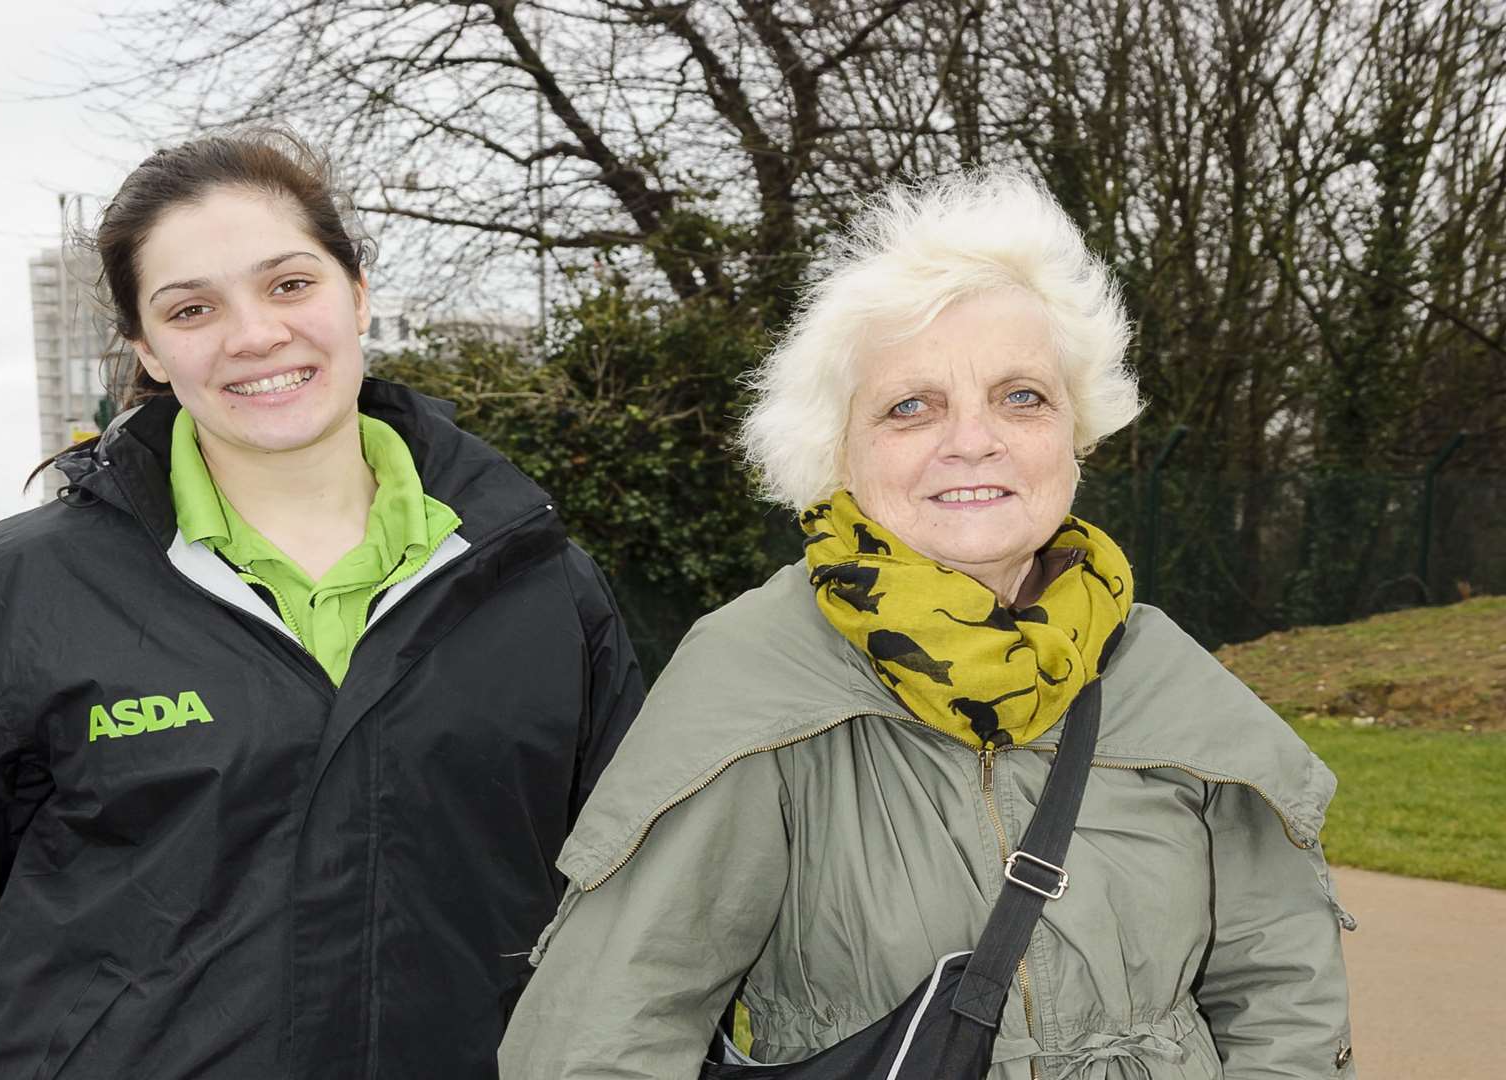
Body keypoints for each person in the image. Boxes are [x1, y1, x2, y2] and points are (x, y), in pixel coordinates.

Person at [0, 129, 643, 1079]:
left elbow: (635, 921)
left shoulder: (540, 585)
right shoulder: (27, 590)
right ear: (147, 349)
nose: (254, 335)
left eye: (289, 284)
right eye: (192, 308)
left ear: (357, 294)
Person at [500, 170, 1355, 1080]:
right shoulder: (751, 679)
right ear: (837, 451)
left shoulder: (1163, 672)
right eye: (912, 406)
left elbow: (1285, 999)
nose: (973, 440)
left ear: (1078, 427)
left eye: (1021, 396)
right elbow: (603, 1036)